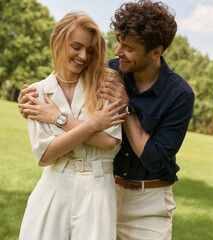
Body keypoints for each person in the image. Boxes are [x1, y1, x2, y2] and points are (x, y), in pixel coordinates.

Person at [18, 1, 195, 239]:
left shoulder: (179, 94)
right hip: (104, 189)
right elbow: (66, 80)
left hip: (148, 201)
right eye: (119, 42)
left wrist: (126, 107)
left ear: (156, 52)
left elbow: (153, 159)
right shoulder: (109, 73)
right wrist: (29, 101)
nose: (117, 52)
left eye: (128, 47)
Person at [17, 12, 126, 240]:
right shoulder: (36, 93)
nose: (83, 56)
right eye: (76, 47)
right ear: (57, 40)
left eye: (90, 50)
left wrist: (58, 118)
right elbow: (45, 155)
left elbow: (108, 141)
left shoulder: (107, 84)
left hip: (98, 189)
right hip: (53, 187)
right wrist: (94, 124)